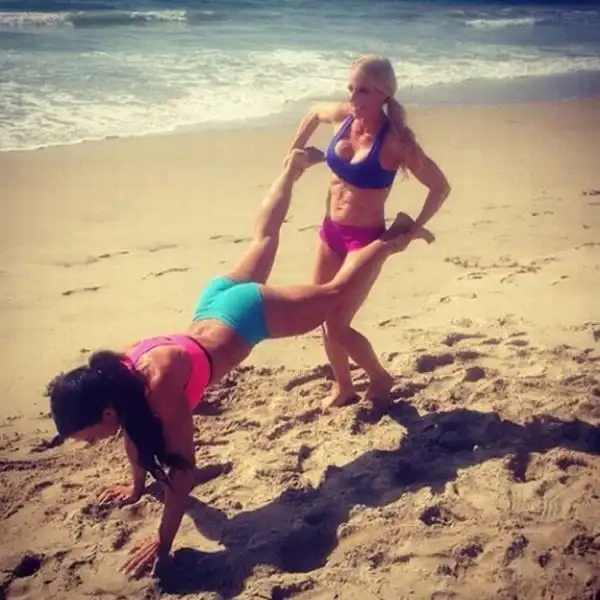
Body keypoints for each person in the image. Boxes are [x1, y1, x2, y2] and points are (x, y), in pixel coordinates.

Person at [47, 148, 434, 578]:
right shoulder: (118, 373)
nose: (92, 444)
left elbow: (182, 472)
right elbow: (134, 432)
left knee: (336, 295)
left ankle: (392, 237)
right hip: (212, 305)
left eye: (88, 437)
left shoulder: (160, 385)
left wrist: (163, 541)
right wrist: (136, 487)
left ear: (105, 412)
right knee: (263, 239)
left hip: (248, 315)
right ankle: (292, 168)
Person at [289, 54, 451, 408]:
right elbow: (313, 112)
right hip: (330, 232)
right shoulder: (344, 117)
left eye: (363, 90)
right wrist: (295, 153)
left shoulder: (396, 142)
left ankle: (379, 377)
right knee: (321, 316)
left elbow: (440, 187)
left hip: (364, 242)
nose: (353, 97)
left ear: (384, 93)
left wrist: (414, 229)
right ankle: (343, 388)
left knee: (338, 324)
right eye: (351, 88)